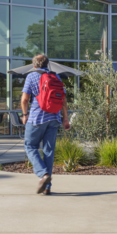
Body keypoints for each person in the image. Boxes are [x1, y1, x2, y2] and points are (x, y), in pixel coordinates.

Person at [20, 54, 70, 195]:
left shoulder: (31, 77)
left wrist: (25, 115)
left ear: (34, 65)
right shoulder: (56, 77)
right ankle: (47, 187)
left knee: (30, 146)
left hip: (36, 119)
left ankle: (44, 175)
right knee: (49, 152)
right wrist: (65, 119)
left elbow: (24, 99)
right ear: (47, 64)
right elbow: (63, 100)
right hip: (54, 119)